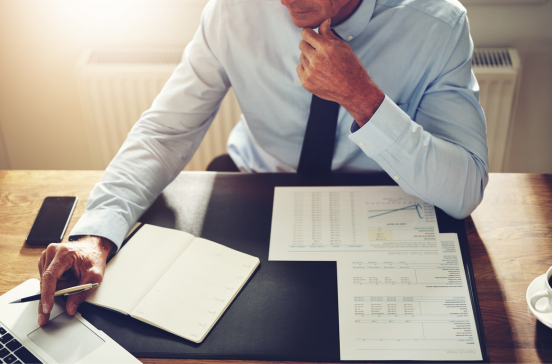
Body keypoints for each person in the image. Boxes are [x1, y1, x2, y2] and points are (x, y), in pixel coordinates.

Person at [37, 0, 488, 325]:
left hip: (382, 216)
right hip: (254, 194)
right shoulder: (232, 11)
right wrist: (97, 231)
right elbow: (164, 134)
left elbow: (464, 189)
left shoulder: (438, 24)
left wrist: (363, 99)